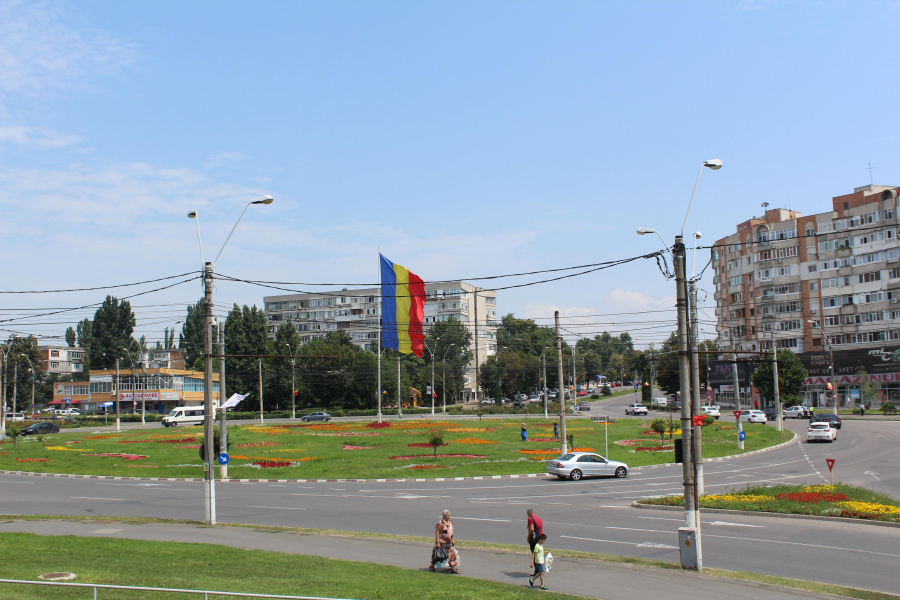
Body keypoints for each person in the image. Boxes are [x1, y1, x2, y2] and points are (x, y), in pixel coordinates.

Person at [430, 509, 459, 574]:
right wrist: (437, 543)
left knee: (452, 554)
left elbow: (451, 532)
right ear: (444, 516)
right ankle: (432, 565)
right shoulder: (440, 523)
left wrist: (453, 540)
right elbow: (437, 533)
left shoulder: (450, 523)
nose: (449, 516)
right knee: (439, 555)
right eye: (447, 515)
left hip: (449, 543)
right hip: (442, 543)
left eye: (449, 515)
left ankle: (453, 569)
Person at [526, 508, 544, 575]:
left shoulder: (530, 519)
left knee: (534, 553)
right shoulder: (539, 519)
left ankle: (537, 570)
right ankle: (540, 569)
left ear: (530, 513)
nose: (528, 515)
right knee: (539, 553)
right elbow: (541, 529)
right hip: (540, 537)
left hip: (534, 538)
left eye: (528, 514)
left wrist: (528, 537)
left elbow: (532, 529)